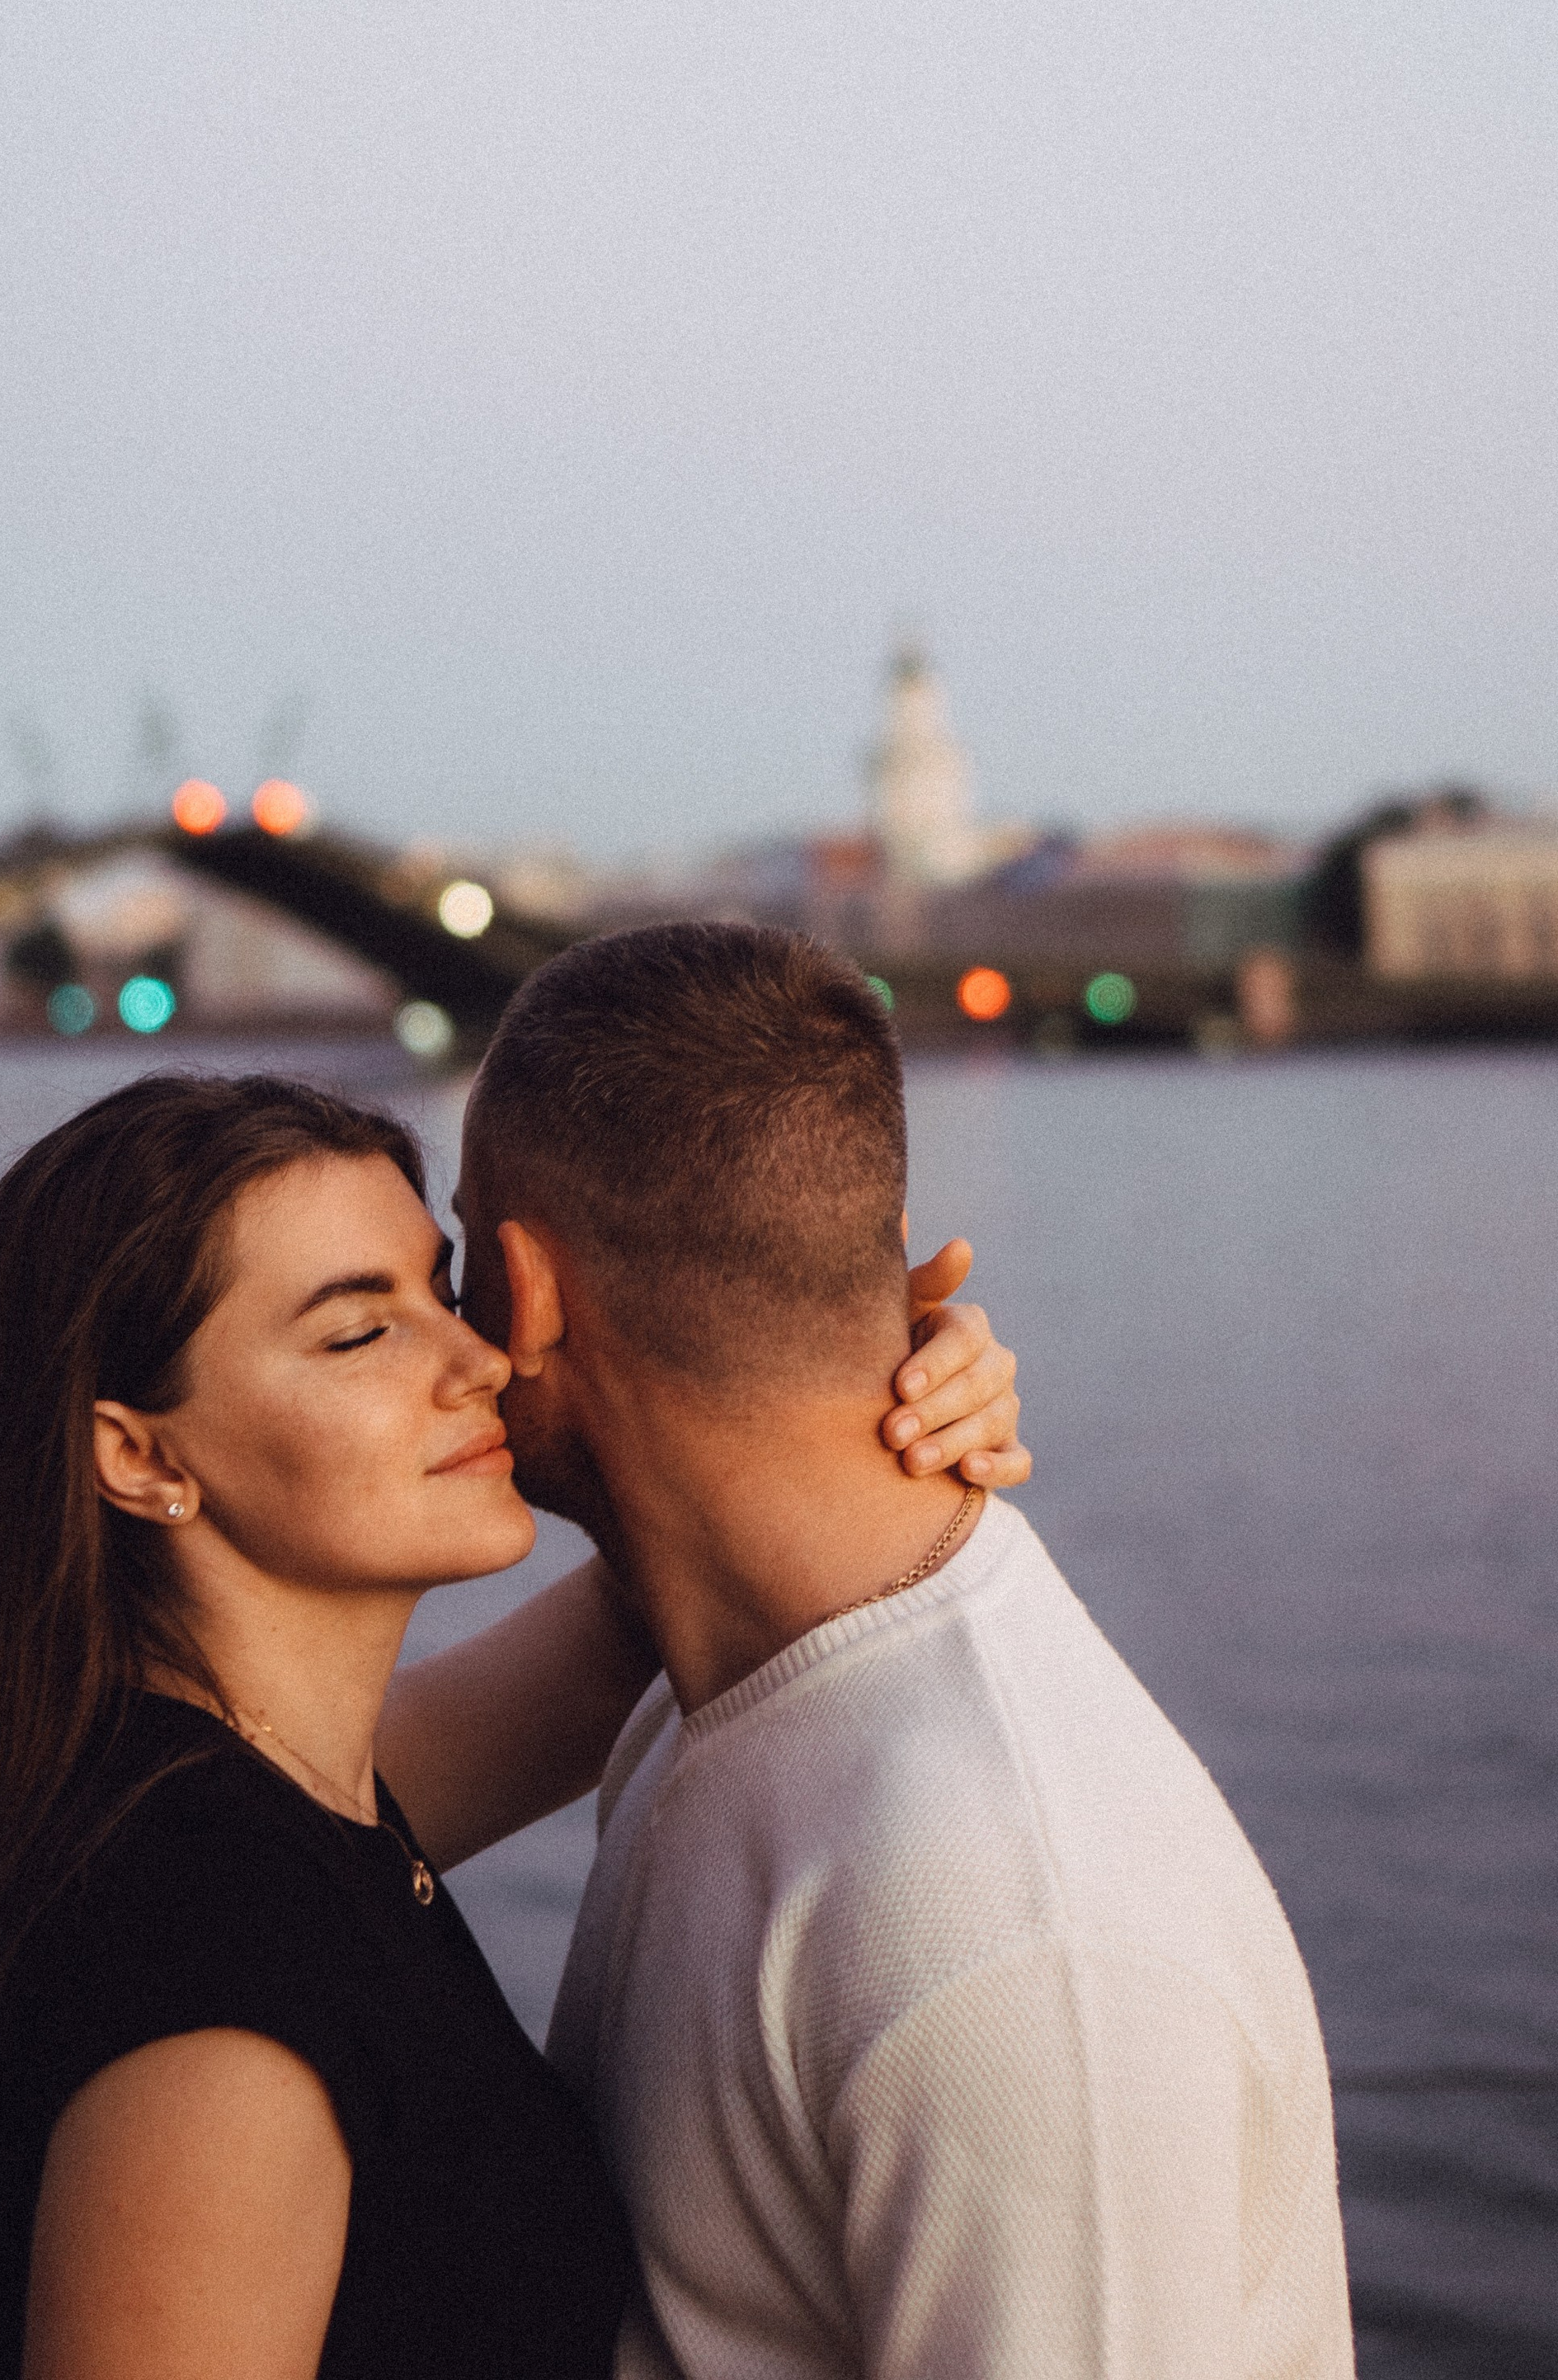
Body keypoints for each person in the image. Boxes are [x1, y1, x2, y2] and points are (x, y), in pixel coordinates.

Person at [0, 1068, 1026, 2380]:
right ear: (141, 1458)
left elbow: (662, 1599)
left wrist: (853, 1383)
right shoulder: (220, 1981)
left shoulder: (245, 1794)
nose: (480, 1361)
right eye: (360, 1334)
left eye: (443, 1287)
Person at [455, 921, 1358, 2380]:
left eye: (450, 1271)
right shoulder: (701, 1695)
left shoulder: (1016, 1937)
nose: (451, 1341)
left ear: (530, 1292)